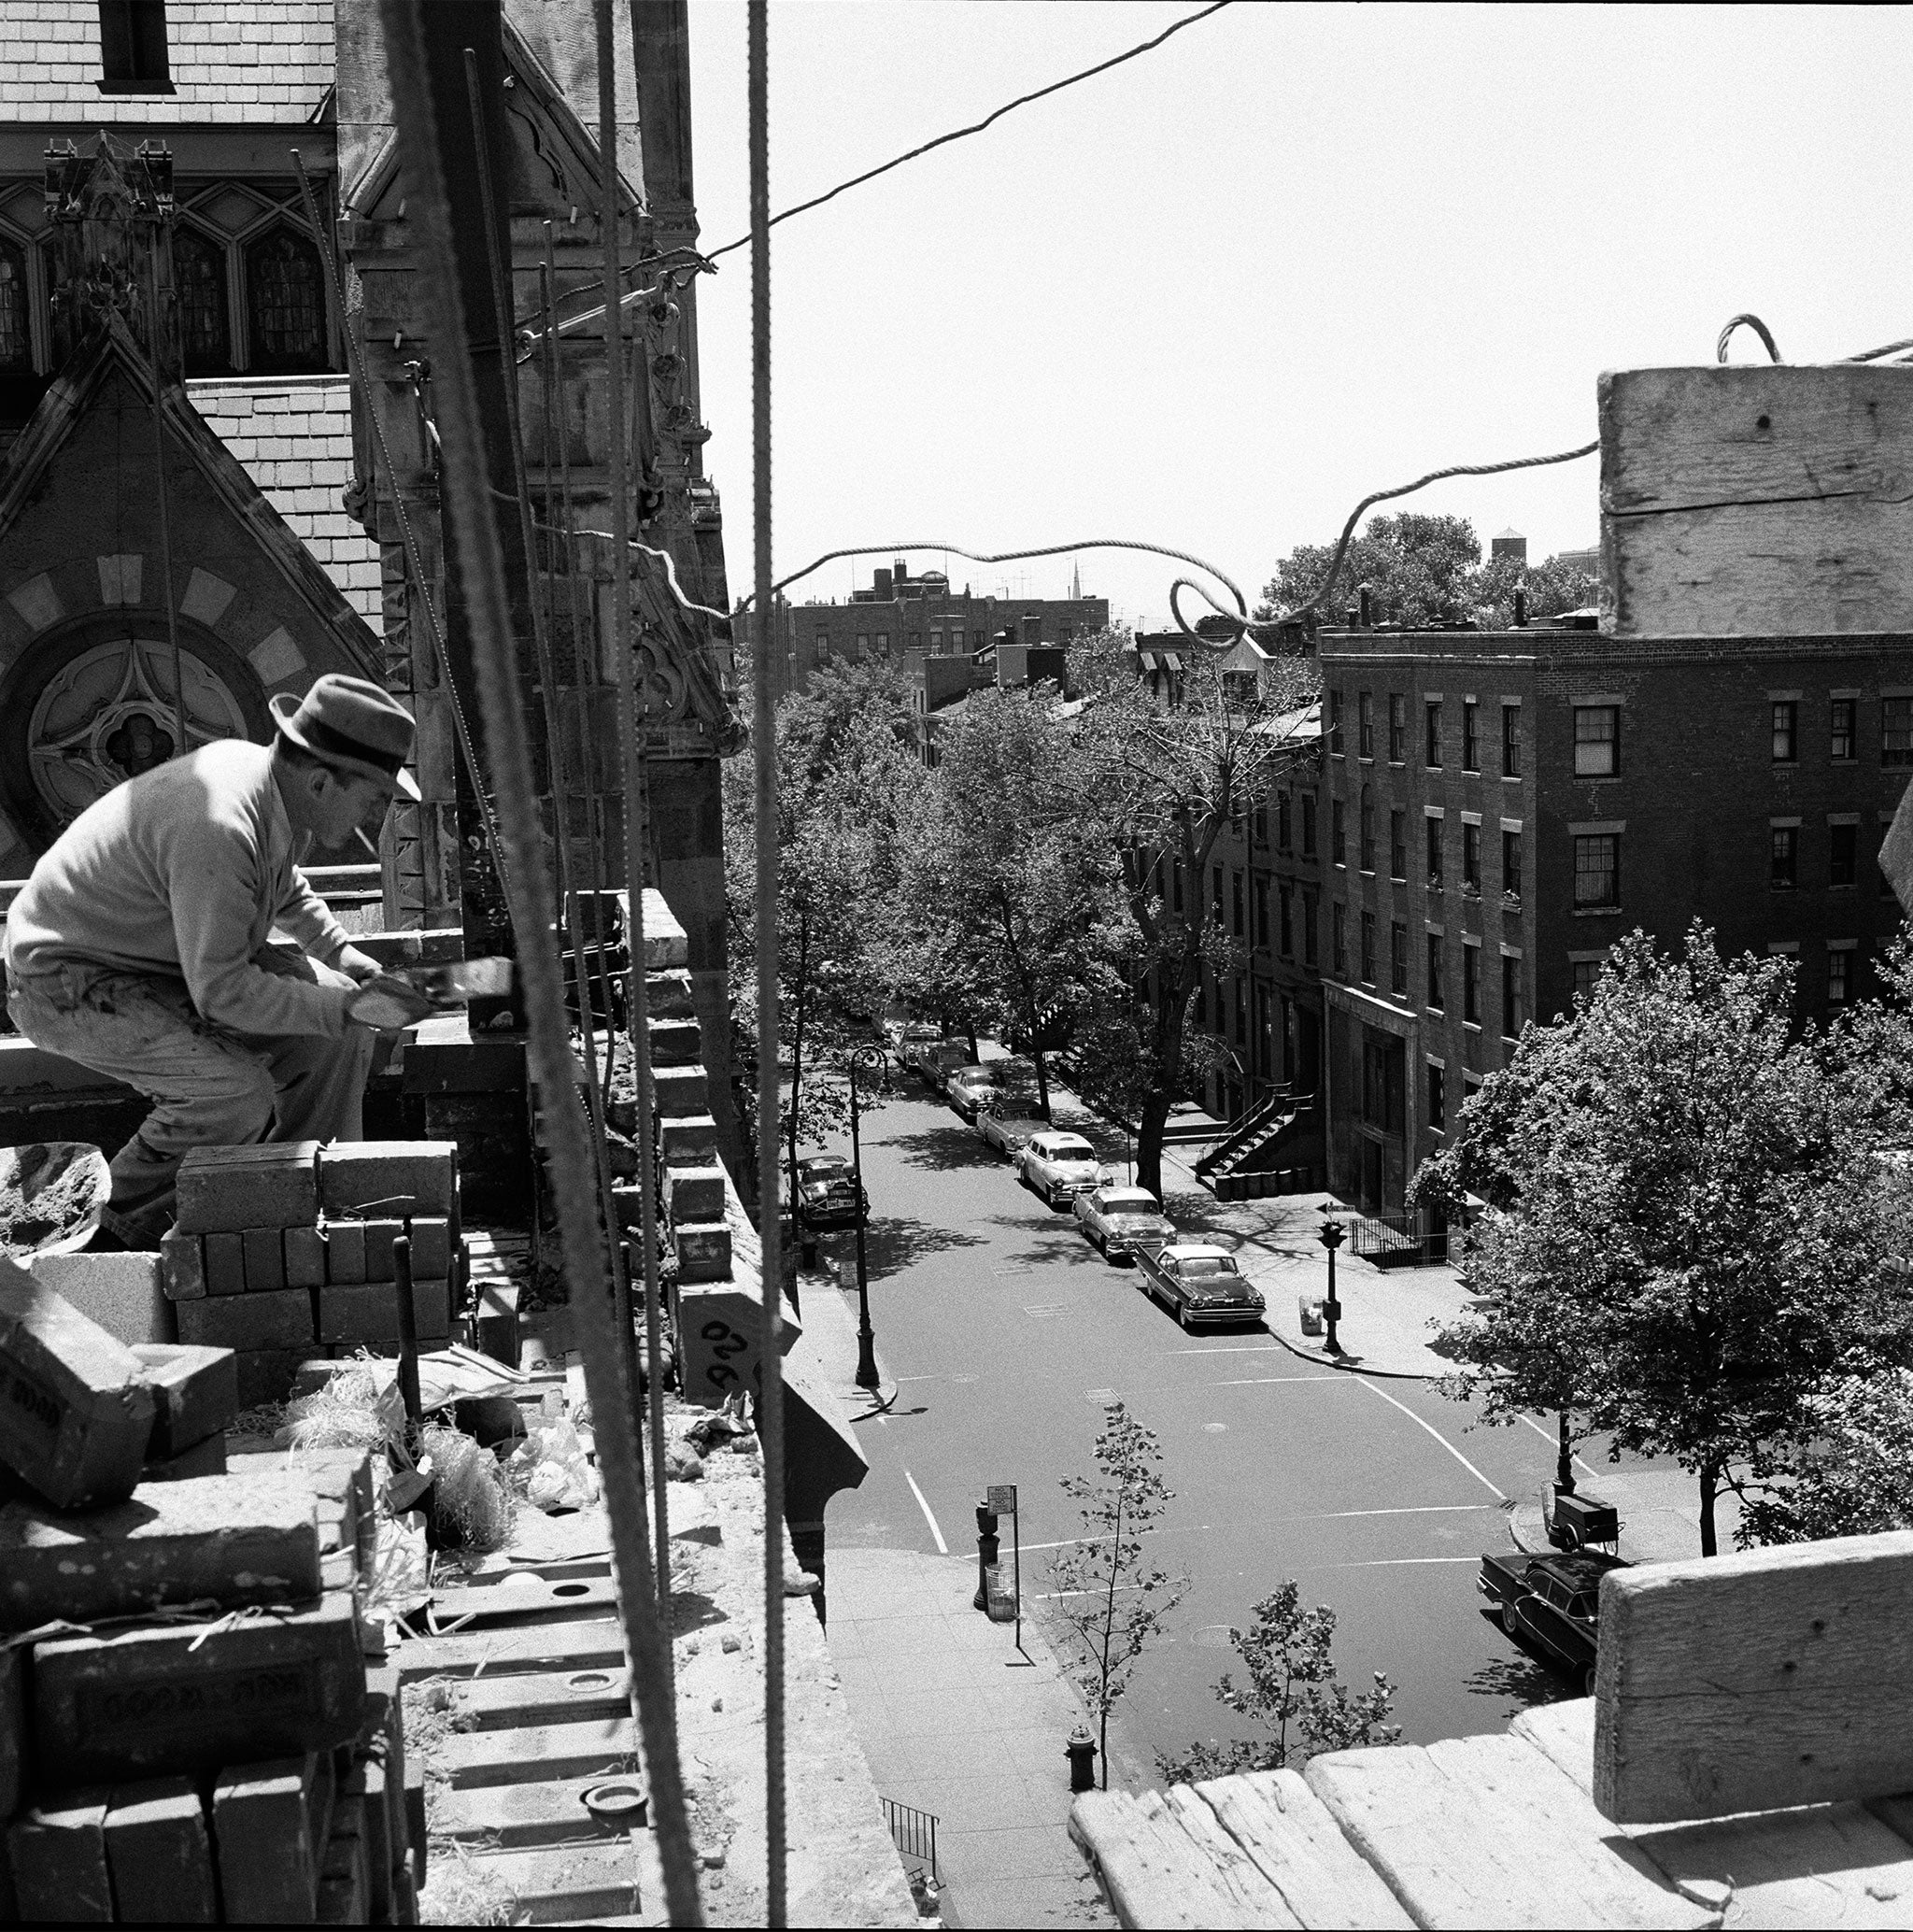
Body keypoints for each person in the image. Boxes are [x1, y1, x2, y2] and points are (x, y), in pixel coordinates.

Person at [2, 673, 442, 1246]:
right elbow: (224, 992)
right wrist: (348, 1008)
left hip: (157, 958)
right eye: (376, 796)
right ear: (320, 781)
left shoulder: (270, 789)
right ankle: (107, 1234)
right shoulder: (221, 823)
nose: (378, 815)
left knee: (336, 1038)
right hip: (65, 979)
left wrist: (346, 958)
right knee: (232, 1097)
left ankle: (309, 1203)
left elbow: (280, 885)